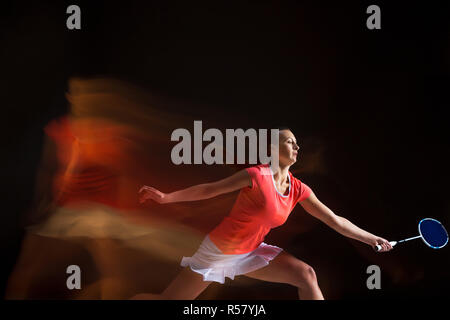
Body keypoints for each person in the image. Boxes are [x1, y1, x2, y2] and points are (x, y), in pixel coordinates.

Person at [133, 128, 392, 300]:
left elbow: (334, 220)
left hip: (251, 250)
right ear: (272, 148)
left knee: (306, 275)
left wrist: (371, 238)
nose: (297, 147)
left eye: (297, 143)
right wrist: (166, 198)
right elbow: (210, 190)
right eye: (290, 142)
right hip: (218, 251)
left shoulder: (298, 189)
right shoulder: (256, 176)